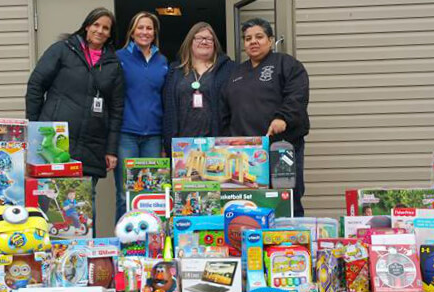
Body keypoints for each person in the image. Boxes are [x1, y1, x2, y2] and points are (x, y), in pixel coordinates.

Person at [25, 8, 124, 232]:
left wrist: (111, 150)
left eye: (105, 28)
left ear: (110, 34)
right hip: (54, 141)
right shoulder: (62, 50)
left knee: (85, 200)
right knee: (50, 197)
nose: (100, 30)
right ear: (87, 26)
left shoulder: (113, 65)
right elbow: (35, 86)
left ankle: (87, 258)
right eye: (96, 25)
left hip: (92, 143)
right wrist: (35, 127)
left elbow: (117, 110)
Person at [221, 18, 310, 217]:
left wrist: (282, 118)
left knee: (286, 199)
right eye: (248, 38)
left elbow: (297, 94)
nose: (253, 42)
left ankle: (289, 245)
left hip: (281, 147)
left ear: (270, 40)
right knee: (250, 203)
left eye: (259, 37)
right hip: (246, 154)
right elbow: (225, 111)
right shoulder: (236, 73)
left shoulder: (286, 64)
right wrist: (226, 141)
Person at [114, 12, 168, 222]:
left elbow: (165, 100)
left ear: (154, 33)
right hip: (126, 134)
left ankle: (148, 246)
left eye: (149, 28)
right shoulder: (119, 58)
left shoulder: (162, 61)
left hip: (153, 137)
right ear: (132, 31)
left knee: (149, 193)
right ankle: (122, 244)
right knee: (124, 193)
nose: (145, 32)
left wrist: (164, 140)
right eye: (140, 27)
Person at [162, 22, 236, 155]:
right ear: (190, 42)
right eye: (199, 38)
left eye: (209, 38)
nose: (204, 41)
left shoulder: (228, 69)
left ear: (214, 43)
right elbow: (167, 107)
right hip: (182, 144)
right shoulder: (175, 70)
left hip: (217, 143)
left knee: (215, 174)